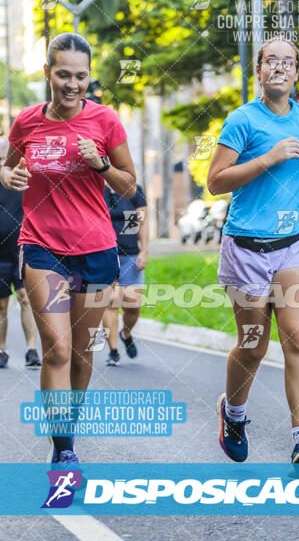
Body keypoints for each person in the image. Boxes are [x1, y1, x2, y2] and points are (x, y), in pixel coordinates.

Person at [0, 33, 136, 465]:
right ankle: (63, 450)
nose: (72, 85)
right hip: (41, 246)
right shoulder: (26, 122)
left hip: (96, 248)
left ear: (89, 76)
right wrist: (9, 177)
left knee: (81, 352)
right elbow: (7, 165)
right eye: (63, 75)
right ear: (47, 73)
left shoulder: (106, 121)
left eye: (80, 76)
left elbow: (128, 184)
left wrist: (100, 163)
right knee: (56, 348)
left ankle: (68, 429)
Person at [207, 36, 299, 466]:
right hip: (246, 245)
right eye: (271, 62)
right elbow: (216, 181)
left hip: (294, 244)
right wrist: (266, 157)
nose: (279, 68)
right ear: (259, 71)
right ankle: (234, 413)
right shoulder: (242, 120)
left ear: (297, 72)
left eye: (288, 62)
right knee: (252, 345)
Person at [0, 138, 40, 368]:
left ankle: (31, 349)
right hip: (0, 254)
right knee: (2, 304)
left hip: (24, 250)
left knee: (26, 298)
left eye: (4, 159)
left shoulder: (25, 182)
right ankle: (2, 349)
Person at [102, 183, 148, 365]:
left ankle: (126, 333)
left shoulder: (133, 190)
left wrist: (144, 251)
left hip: (130, 254)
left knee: (133, 306)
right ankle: (113, 351)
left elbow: (142, 222)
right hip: (104, 254)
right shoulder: (96, 188)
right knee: (110, 303)